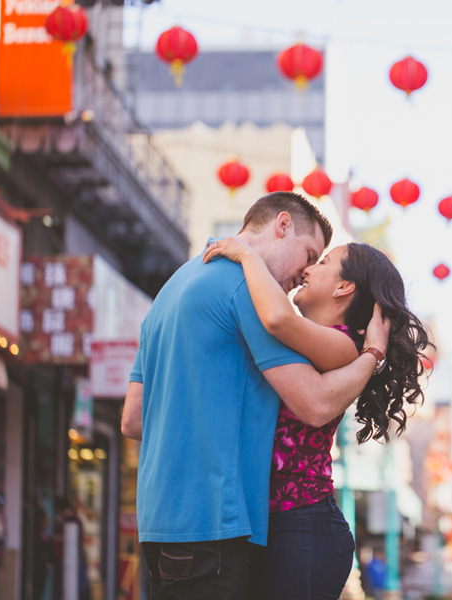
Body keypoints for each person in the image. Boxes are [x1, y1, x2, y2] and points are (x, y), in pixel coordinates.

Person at [121, 191, 391, 600]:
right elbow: (314, 402)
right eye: (309, 253)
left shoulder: (172, 287)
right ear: (282, 226)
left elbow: (133, 419)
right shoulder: (248, 291)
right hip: (214, 520)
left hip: (158, 520)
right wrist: (373, 354)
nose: (304, 272)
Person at [202, 236, 432, 599]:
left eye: (322, 262)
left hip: (301, 528)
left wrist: (249, 254)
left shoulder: (342, 344)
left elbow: (277, 318)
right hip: (280, 526)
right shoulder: (312, 341)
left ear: (344, 287)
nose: (309, 269)